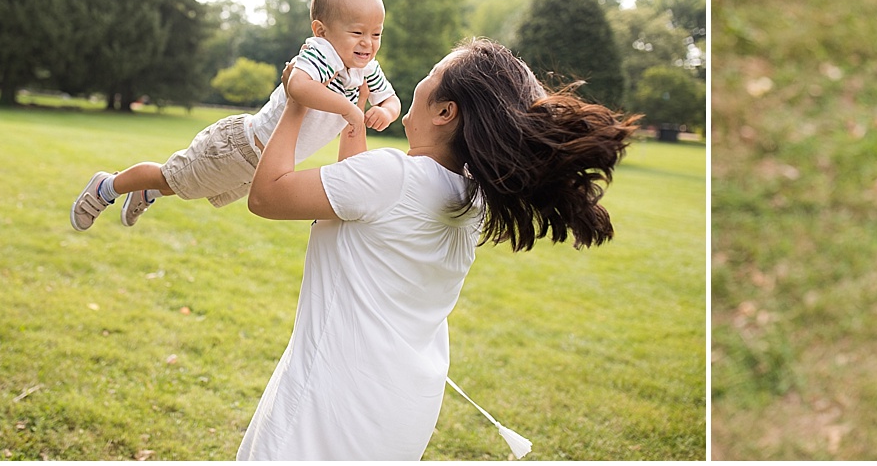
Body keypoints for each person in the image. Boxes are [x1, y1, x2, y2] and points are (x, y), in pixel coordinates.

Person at [234, 38, 638, 459]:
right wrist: (351, 120)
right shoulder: (471, 198)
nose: (421, 81)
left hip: (331, 403)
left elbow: (266, 197)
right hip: (397, 408)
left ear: (446, 112)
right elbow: (357, 213)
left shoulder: (391, 177)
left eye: (431, 75)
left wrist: (298, 99)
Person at [68, 0, 402, 231]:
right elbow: (298, 86)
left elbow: (391, 98)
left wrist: (384, 112)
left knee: (187, 186)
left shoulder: (365, 69)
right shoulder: (321, 52)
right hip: (239, 146)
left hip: (261, 164)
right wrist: (348, 109)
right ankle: (106, 186)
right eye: (358, 32)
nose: (368, 43)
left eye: (376, 34)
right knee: (171, 177)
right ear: (322, 30)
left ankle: (145, 193)